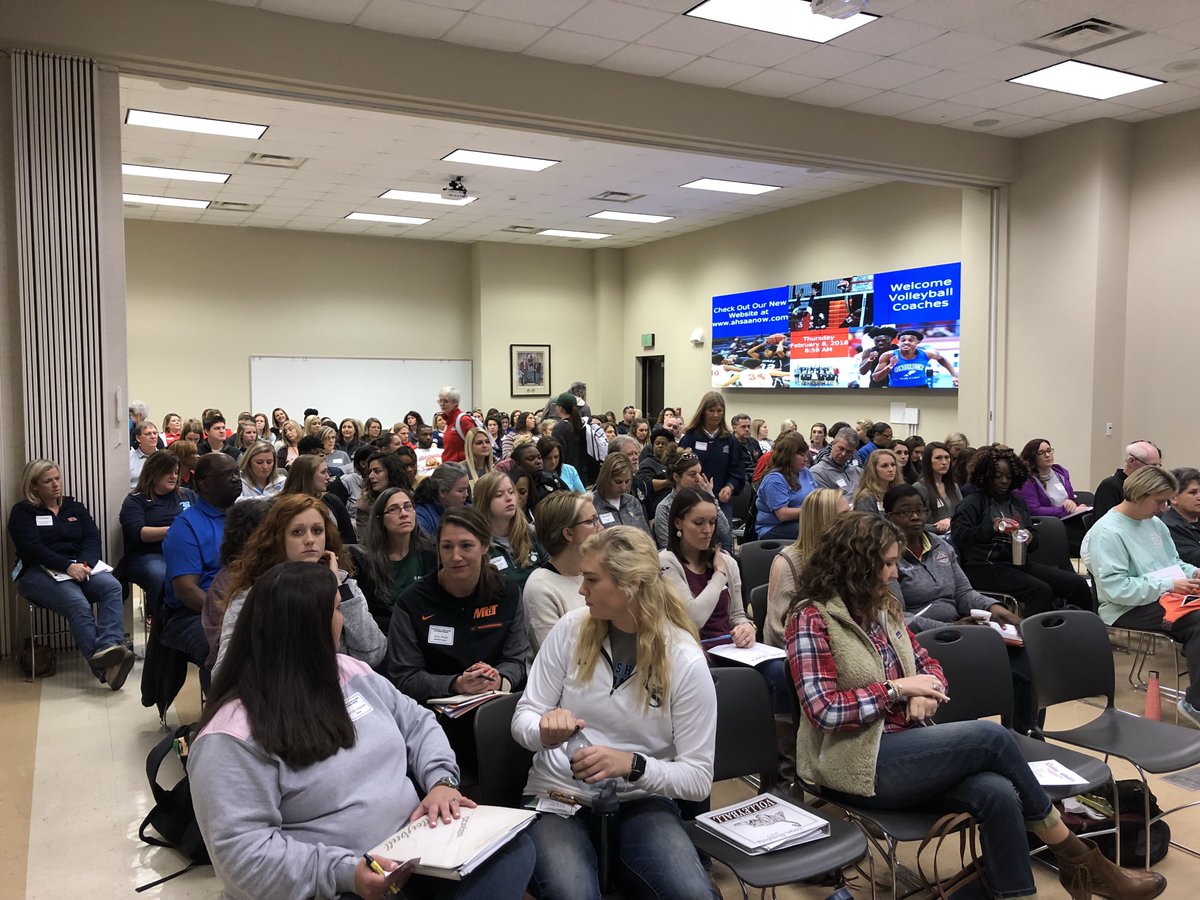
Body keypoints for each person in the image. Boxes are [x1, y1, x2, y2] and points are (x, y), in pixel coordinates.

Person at [787, 513, 1167, 900]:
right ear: (855, 563)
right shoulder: (812, 618)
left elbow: (929, 665)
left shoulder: (881, 608)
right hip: (851, 763)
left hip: (906, 750)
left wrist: (923, 689)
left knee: (997, 792)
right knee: (991, 737)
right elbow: (824, 711)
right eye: (885, 564)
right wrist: (897, 688)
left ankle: (1019, 894)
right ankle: (1078, 859)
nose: (894, 574)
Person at [190, 561, 535, 900]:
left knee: (512, 851)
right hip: (336, 884)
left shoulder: (347, 671)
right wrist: (343, 872)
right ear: (308, 628)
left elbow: (417, 721)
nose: (342, 621)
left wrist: (441, 783)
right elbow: (242, 857)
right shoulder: (230, 735)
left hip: (415, 851)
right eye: (336, 611)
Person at [511, 526, 719, 900]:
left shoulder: (684, 659)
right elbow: (523, 717)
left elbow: (698, 779)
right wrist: (544, 730)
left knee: (694, 894)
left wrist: (633, 765)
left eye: (591, 579)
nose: (580, 590)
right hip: (558, 796)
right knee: (572, 893)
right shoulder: (570, 629)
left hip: (640, 800)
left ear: (632, 585)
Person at [884, 484, 1038, 736]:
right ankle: (964, 730)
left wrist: (996, 608)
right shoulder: (888, 557)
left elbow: (964, 593)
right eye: (905, 512)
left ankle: (1022, 730)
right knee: (971, 652)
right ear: (889, 518)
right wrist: (951, 628)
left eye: (920, 510)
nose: (915, 517)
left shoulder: (941, 547)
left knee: (1020, 656)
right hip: (919, 639)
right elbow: (899, 618)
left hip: (961, 625)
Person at [386, 507, 529, 771]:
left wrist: (500, 679)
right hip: (436, 717)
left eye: (466, 546)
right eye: (447, 547)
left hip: (497, 708)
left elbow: (517, 659)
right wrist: (455, 684)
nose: (456, 556)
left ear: (485, 546)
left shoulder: (507, 593)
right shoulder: (412, 602)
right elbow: (403, 677)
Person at [211, 494, 386, 679]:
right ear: (278, 538)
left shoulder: (345, 585)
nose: (310, 540)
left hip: (344, 693)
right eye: (297, 532)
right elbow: (222, 674)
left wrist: (337, 588)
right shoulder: (251, 595)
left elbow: (373, 655)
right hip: (280, 699)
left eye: (317, 531)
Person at [1084, 466, 1200, 726]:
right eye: (1159, 502)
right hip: (1126, 608)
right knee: (1198, 622)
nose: (1163, 508)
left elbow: (1174, 562)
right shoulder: (1107, 532)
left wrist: (1194, 574)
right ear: (1138, 494)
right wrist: (1170, 585)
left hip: (1163, 596)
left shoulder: (1154, 523)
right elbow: (1117, 589)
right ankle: (1196, 703)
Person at [10, 459, 134, 689]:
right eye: (48, 481)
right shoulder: (23, 512)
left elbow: (91, 537)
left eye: (57, 478)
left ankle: (109, 647)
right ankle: (106, 669)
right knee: (77, 602)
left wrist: (84, 564)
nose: (56, 485)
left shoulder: (74, 507)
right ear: (34, 486)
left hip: (80, 567)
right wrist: (67, 566)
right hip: (37, 571)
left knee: (112, 586)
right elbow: (32, 549)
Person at [952, 444, 1092, 615]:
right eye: (998, 476)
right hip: (983, 567)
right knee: (1040, 591)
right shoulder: (973, 502)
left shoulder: (1017, 501)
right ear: (986, 476)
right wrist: (991, 528)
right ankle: (1032, 638)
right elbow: (959, 536)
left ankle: (1081, 629)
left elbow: (1033, 536)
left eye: (1009, 476)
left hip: (1016, 563)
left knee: (1076, 584)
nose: (1004, 481)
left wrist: (1029, 537)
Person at [162, 452, 243, 687]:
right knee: (227, 645)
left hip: (243, 603)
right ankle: (220, 718)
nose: (235, 479)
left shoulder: (245, 518)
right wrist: (230, 615)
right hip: (196, 612)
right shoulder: (185, 526)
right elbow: (187, 591)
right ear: (203, 483)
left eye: (236, 473)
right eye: (226, 474)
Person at [658, 488, 753, 643]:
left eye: (712, 522)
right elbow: (693, 620)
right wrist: (719, 575)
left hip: (729, 650)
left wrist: (747, 627)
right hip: (691, 653)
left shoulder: (727, 562)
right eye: (698, 523)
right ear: (678, 523)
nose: (708, 530)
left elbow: (737, 615)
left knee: (775, 666)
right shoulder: (665, 563)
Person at [764, 488, 848, 650]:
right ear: (825, 521)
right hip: (801, 649)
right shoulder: (787, 562)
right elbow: (778, 630)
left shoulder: (847, 554)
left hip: (840, 643)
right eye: (844, 516)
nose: (852, 520)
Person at [522, 491, 602, 655]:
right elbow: (556, 658)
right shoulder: (540, 587)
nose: (600, 527)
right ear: (568, 534)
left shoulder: (602, 571)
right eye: (591, 521)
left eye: (598, 518)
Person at [351, 486, 437, 633]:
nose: (403, 514)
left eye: (408, 506)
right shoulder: (362, 560)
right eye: (393, 509)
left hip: (425, 632)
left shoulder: (430, 553)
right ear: (380, 520)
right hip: (384, 636)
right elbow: (365, 617)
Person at [120, 450, 193, 618]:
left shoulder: (186, 494)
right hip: (149, 554)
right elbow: (139, 533)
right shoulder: (136, 500)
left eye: (176, 472)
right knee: (160, 575)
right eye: (168, 472)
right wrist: (175, 529)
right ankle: (163, 621)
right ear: (154, 472)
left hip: (185, 551)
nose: (173, 476)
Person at [678, 391, 745, 535]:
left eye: (719, 411)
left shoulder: (729, 440)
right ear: (703, 412)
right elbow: (680, 468)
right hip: (693, 500)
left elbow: (738, 471)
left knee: (724, 543)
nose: (716, 415)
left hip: (720, 503)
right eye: (711, 411)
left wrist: (730, 487)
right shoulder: (690, 438)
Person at [474, 471, 544, 588]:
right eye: (499, 495)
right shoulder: (476, 543)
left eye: (511, 492)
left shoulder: (532, 532)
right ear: (484, 502)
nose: (509, 498)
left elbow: (552, 573)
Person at [652, 450, 731, 551]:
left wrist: (710, 496)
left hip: (706, 554)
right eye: (693, 475)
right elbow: (667, 546)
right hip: (678, 559)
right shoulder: (664, 507)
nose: (699, 479)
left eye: (699, 473)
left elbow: (724, 531)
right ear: (676, 477)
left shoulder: (703, 499)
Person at [281, 453, 358, 545]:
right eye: (323, 472)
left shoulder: (332, 501)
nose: (328, 477)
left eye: (327, 472)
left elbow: (349, 539)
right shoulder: (281, 506)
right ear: (307, 476)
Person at [754, 432, 817, 540]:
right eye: (802, 455)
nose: (806, 459)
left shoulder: (805, 472)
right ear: (789, 457)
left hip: (800, 521)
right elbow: (782, 514)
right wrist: (813, 510)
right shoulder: (774, 479)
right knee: (816, 531)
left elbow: (817, 496)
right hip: (774, 528)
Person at [1093, 439, 1163, 522]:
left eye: (1158, 466)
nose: (1155, 471)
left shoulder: (1146, 487)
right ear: (1131, 461)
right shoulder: (1110, 486)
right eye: (1151, 466)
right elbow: (1105, 523)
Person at [872, 328, 959, 387]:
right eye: (902, 340)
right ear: (898, 342)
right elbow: (876, 378)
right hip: (896, 390)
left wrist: (954, 375)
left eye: (910, 340)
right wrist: (890, 366)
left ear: (918, 342)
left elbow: (942, 359)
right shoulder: (888, 355)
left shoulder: (927, 354)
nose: (906, 342)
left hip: (921, 388)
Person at [356, 451, 413, 535]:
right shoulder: (365, 506)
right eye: (370, 472)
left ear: (391, 473)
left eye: (377, 471)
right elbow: (365, 541)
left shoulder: (411, 498)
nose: (371, 476)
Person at [591, 453, 650, 534]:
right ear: (606, 478)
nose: (623, 487)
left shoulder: (633, 502)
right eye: (618, 482)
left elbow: (647, 536)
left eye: (627, 481)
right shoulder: (591, 504)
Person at [914, 440, 961, 535]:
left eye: (947, 457)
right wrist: (938, 527)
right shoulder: (919, 488)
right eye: (938, 458)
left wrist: (950, 521)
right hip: (932, 540)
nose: (944, 462)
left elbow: (963, 514)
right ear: (928, 461)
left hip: (954, 539)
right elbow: (915, 524)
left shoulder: (954, 486)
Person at [413, 462, 470, 539]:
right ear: (442, 491)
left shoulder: (470, 511)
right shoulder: (421, 515)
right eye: (461, 491)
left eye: (466, 489)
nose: (466, 495)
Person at [549, 392, 596, 485]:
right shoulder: (582, 425)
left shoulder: (559, 428)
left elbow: (558, 453)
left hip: (567, 476)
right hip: (583, 474)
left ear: (560, 408)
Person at [809, 426, 861, 501]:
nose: (843, 454)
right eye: (841, 448)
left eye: (849, 451)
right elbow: (827, 506)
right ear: (833, 444)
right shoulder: (817, 473)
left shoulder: (859, 472)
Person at [1163, 467, 1200, 566]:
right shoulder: (1168, 526)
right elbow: (1194, 557)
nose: (1199, 497)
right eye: (1193, 492)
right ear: (1173, 498)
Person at [851, 448, 899, 515]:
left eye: (893, 465)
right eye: (884, 466)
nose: (891, 469)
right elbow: (866, 524)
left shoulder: (898, 491)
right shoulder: (866, 498)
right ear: (873, 469)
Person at [436, 387, 476, 463]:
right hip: (449, 466)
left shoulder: (463, 420)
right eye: (440, 401)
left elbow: (475, 444)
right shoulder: (448, 421)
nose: (441, 404)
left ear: (455, 403)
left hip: (461, 468)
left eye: (446, 401)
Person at [730, 412, 762, 481]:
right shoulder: (729, 443)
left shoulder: (754, 442)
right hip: (741, 476)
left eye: (749, 426)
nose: (747, 429)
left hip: (757, 474)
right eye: (743, 426)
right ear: (734, 428)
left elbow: (761, 461)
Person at [130, 419, 160, 488]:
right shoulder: (129, 458)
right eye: (148, 434)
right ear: (138, 438)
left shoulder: (163, 457)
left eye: (155, 433)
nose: (153, 437)